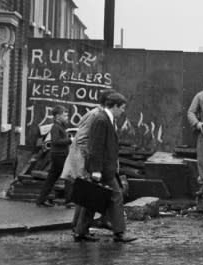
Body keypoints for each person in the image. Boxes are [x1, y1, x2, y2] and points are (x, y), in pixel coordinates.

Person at [74, 92, 137, 243]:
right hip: (102, 169)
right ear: (114, 106)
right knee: (116, 196)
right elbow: (96, 146)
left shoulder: (106, 119)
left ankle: (80, 232)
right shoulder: (102, 120)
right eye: (122, 108)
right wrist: (96, 170)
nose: (123, 111)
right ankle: (119, 233)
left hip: (104, 168)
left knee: (92, 198)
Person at [63, 89, 114, 237]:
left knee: (86, 193)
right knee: (87, 193)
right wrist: (89, 161)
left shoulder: (99, 114)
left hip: (86, 158)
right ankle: (79, 228)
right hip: (84, 159)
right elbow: (82, 139)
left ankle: (83, 226)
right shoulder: (96, 116)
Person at [35, 105, 72, 207]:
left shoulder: (61, 127)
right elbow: (55, 141)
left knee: (51, 178)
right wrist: (70, 140)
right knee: (68, 176)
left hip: (59, 155)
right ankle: (69, 201)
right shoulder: (56, 127)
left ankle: (41, 200)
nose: (67, 117)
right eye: (65, 115)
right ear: (57, 117)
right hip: (59, 156)